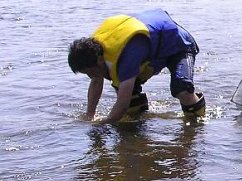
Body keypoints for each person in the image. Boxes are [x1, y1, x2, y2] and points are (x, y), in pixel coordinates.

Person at [68, 8, 204, 124]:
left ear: (98, 61)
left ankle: (196, 125)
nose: (91, 76)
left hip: (179, 45)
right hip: (151, 49)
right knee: (130, 103)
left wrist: (103, 124)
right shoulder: (95, 49)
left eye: (90, 72)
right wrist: (89, 116)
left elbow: (122, 105)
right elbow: (97, 79)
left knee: (182, 89)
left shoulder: (126, 56)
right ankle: (137, 129)